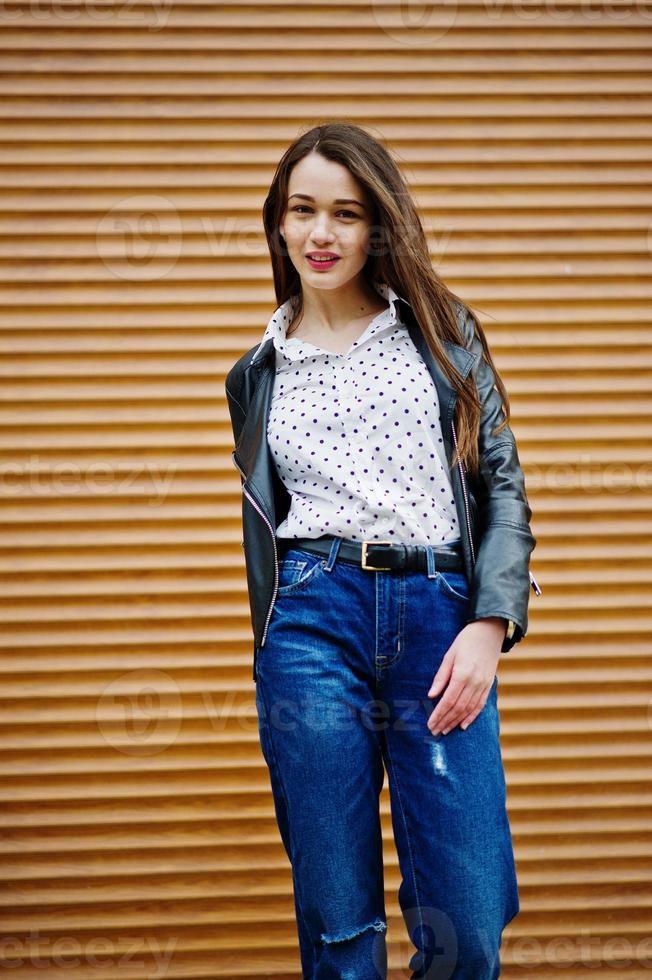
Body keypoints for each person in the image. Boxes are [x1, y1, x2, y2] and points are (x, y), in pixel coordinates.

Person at [225, 121, 541, 980]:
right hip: (311, 621)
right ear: (279, 223)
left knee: (469, 921)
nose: (322, 234)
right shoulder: (256, 371)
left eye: (347, 214)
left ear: (378, 227)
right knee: (338, 923)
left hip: (440, 618)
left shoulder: (440, 330)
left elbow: (502, 486)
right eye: (303, 211)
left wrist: (491, 622)